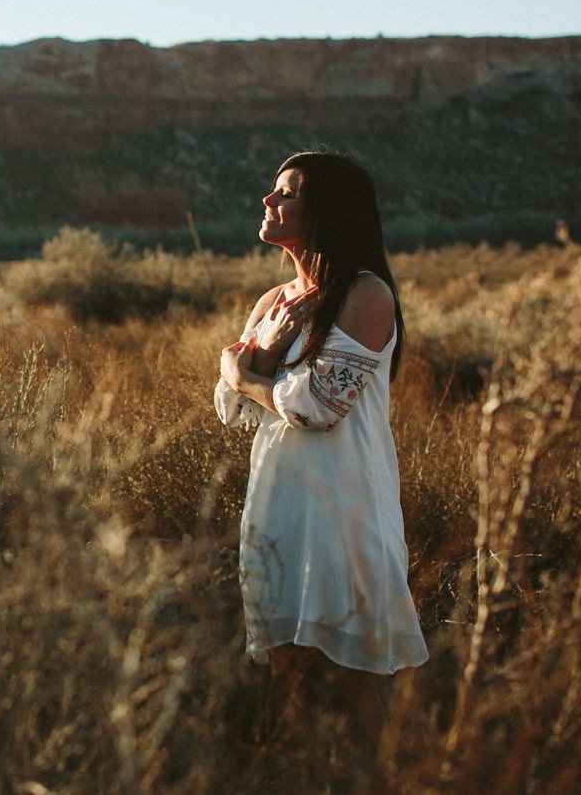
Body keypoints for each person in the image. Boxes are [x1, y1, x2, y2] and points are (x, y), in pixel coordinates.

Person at [216, 151, 427, 741]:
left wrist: (243, 371)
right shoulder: (272, 301)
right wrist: (259, 356)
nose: (268, 201)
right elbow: (228, 409)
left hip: (344, 512)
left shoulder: (366, 296)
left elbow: (317, 408)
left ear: (326, 210)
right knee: (291, 683)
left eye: (285, 192)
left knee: (354, 687)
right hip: (278, 509)